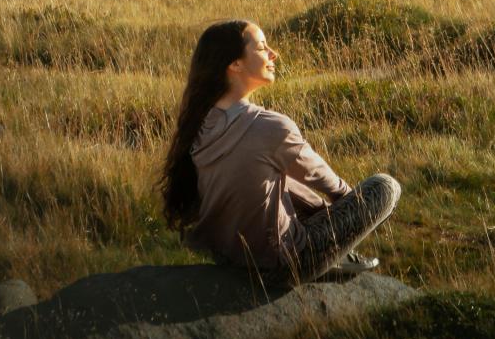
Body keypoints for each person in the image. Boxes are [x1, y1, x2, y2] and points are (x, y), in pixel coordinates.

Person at [159, 20, 401, 287]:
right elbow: (334, 187)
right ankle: (333, 259)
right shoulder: (272, 127)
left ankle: (335, 256)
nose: (274, 54)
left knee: (277, 177)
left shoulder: (198, 124)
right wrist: (351, 215)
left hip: (228, 261)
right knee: (385, 186)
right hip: (284, 266)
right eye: (262, 48)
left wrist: (319, 212)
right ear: (235, 64)